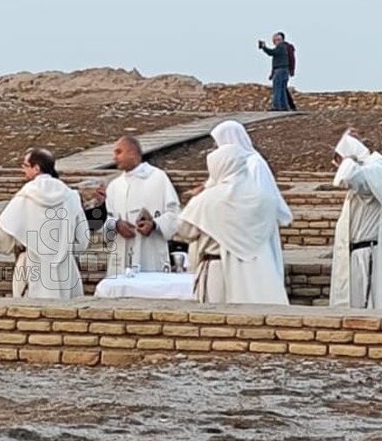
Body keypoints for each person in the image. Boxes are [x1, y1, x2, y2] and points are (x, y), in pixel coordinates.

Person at [177, 144, 288, 305]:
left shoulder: (206, 199)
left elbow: (184, 230)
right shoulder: (263, 198)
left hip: (217, 271)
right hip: (258, 271)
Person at [329, 129, 382, 310]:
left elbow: (345, 178)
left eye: (340, 160)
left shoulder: (373, 173)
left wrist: (349, 156)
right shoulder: (371, 172)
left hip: (367, 255)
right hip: (358, 253)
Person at [0, 148, 90, 299]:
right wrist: (66, 250)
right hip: (65, 269)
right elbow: (82, 238)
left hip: (32, 264)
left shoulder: (25, 196)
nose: (23, 169)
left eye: (25, 165)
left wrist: (9, 246)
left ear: (36, 168)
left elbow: (5, 228)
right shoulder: (70, 196)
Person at [208, 120, 293, 272]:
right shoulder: (225, 165)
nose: (215, 147)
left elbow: (262, 200)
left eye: (218, 142)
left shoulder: (254, 164)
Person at [102, 136, 180, 278]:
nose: (114, 157)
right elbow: (106, 219)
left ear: (133, 153)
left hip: (150, 253)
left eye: (118, 152)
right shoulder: (114, 186)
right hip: (121, 256)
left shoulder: (158, 178)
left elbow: (174, 213)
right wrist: (116, 224)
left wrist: (154, 224)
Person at [257, 32, 296, 111]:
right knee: (282, 89)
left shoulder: (281, 47)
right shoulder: (285, 47)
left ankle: (277, 106)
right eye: (274, 40)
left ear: (280, 40)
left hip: (280, 70)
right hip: (285, 70)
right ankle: (284, 106)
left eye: (276, 40)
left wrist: (264, 47)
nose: (275, 42)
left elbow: (272, 53)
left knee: (277, 89)